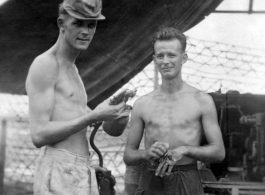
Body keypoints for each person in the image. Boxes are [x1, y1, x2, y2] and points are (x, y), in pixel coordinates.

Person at [26, 0, 132, 194]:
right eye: (78, 23)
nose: (85, 31)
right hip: (58, 170)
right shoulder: (46, 64)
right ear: (61, 24)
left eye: (91, 25)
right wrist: (93, 116)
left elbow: (71, 126)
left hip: (77, 170)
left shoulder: (71, 67)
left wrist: (111, 110)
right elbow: (38, 134)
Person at [123, 27, 225, 195]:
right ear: (154, 59)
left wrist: (185, 150)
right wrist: (147, 153)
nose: (165, 61)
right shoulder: (142, 103)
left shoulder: (201, 100)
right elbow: (129, 155)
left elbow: (218, 152)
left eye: (171, 55)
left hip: (186, 177)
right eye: (160, 56)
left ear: (183, 58)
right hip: (151, 179)